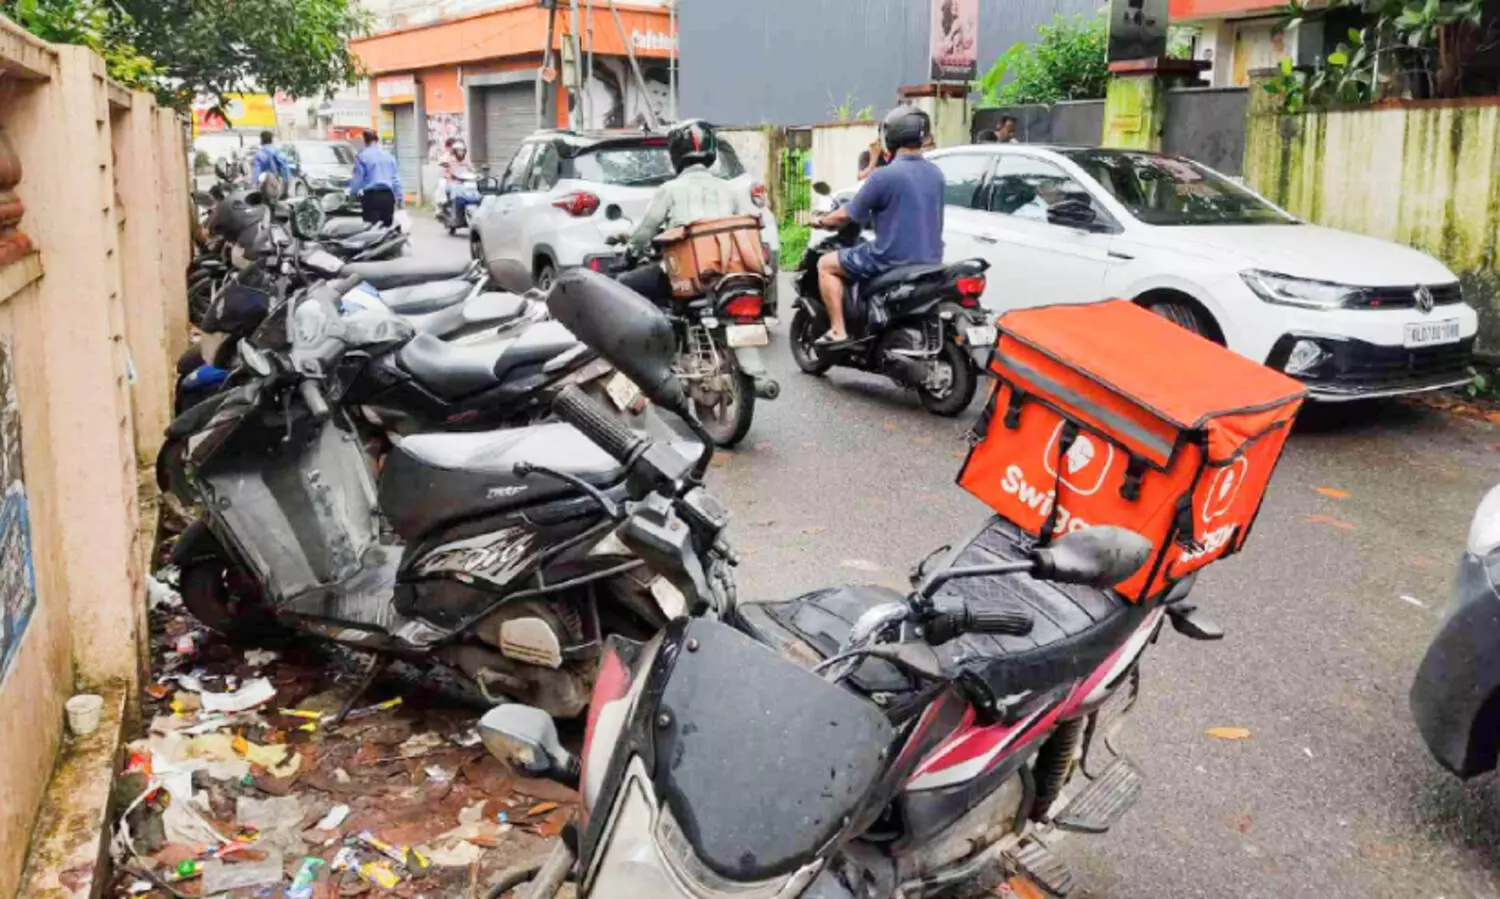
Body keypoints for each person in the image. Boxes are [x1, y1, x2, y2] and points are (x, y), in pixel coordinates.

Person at [809, 106, 944, 346]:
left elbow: (846, 214)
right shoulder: (936, 173)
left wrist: (822, 220)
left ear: (890, 136)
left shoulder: (884, 176)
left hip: (890, 258)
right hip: (930, 259)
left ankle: (838, 330)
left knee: (825, 264)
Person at [618, 119, 752, 304]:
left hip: (685, 274)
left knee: (623, 284)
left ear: (675, 154)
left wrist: (630, 254)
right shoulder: (729, 189)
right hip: (726, 271)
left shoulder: (669, 189)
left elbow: (644, 233)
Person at [348, 129, 403, 227]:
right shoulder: (389, 156)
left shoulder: (362, 157)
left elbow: (358, 180)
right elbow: (395, 179)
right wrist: (399, 197)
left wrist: (352, 194)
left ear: (365, 141)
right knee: (386, 230)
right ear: (377, 140)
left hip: (371, 197)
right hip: (388, 197)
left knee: (371, 230)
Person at [250, 130, 289, 198]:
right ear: (271, 140)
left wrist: (253, 188)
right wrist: (285, 191)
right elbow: (286, 171)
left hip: (265, 188)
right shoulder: (279, 152)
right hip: (279, 187)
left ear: (261, 140)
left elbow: (256, 174)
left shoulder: (259, 154)